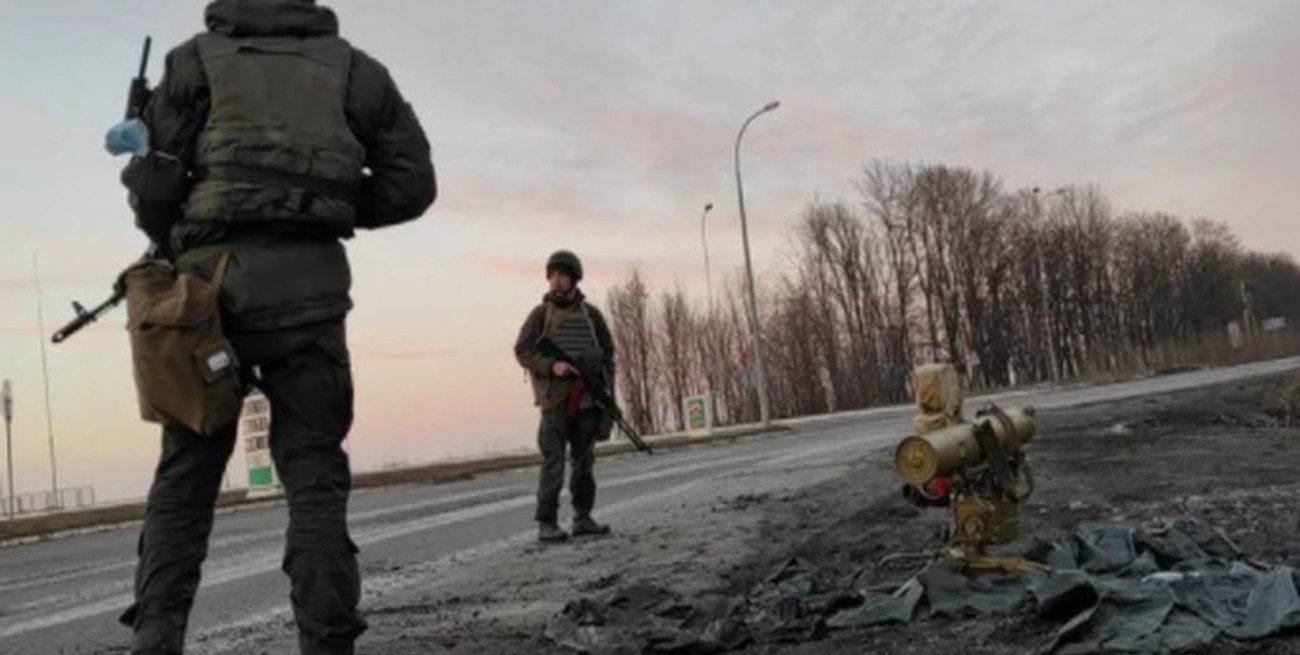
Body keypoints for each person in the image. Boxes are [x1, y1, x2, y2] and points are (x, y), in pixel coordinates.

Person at [113, 1, 436, 653]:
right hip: (311, 292)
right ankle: (327, 639)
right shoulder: (357, 71)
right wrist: (325, 208)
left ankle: (157, 635)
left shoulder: (192, 60)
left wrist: (172, 235)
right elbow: (413, 184)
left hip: (207, 294)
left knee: (188, 470)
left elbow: (152, 184)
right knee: (314, 473)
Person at [513, 250, 617, 543]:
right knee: (553, 462)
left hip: (586, 400)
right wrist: (551, 365)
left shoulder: (591, 315)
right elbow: (523, 350)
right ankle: (547, 522)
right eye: (553, 276)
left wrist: (607, 393)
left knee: (584, 462)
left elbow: (608, 355)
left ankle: (583, 517)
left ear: (574, 279)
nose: (557, 281)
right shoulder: (540, 315)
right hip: (554, 400)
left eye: (563, 275)